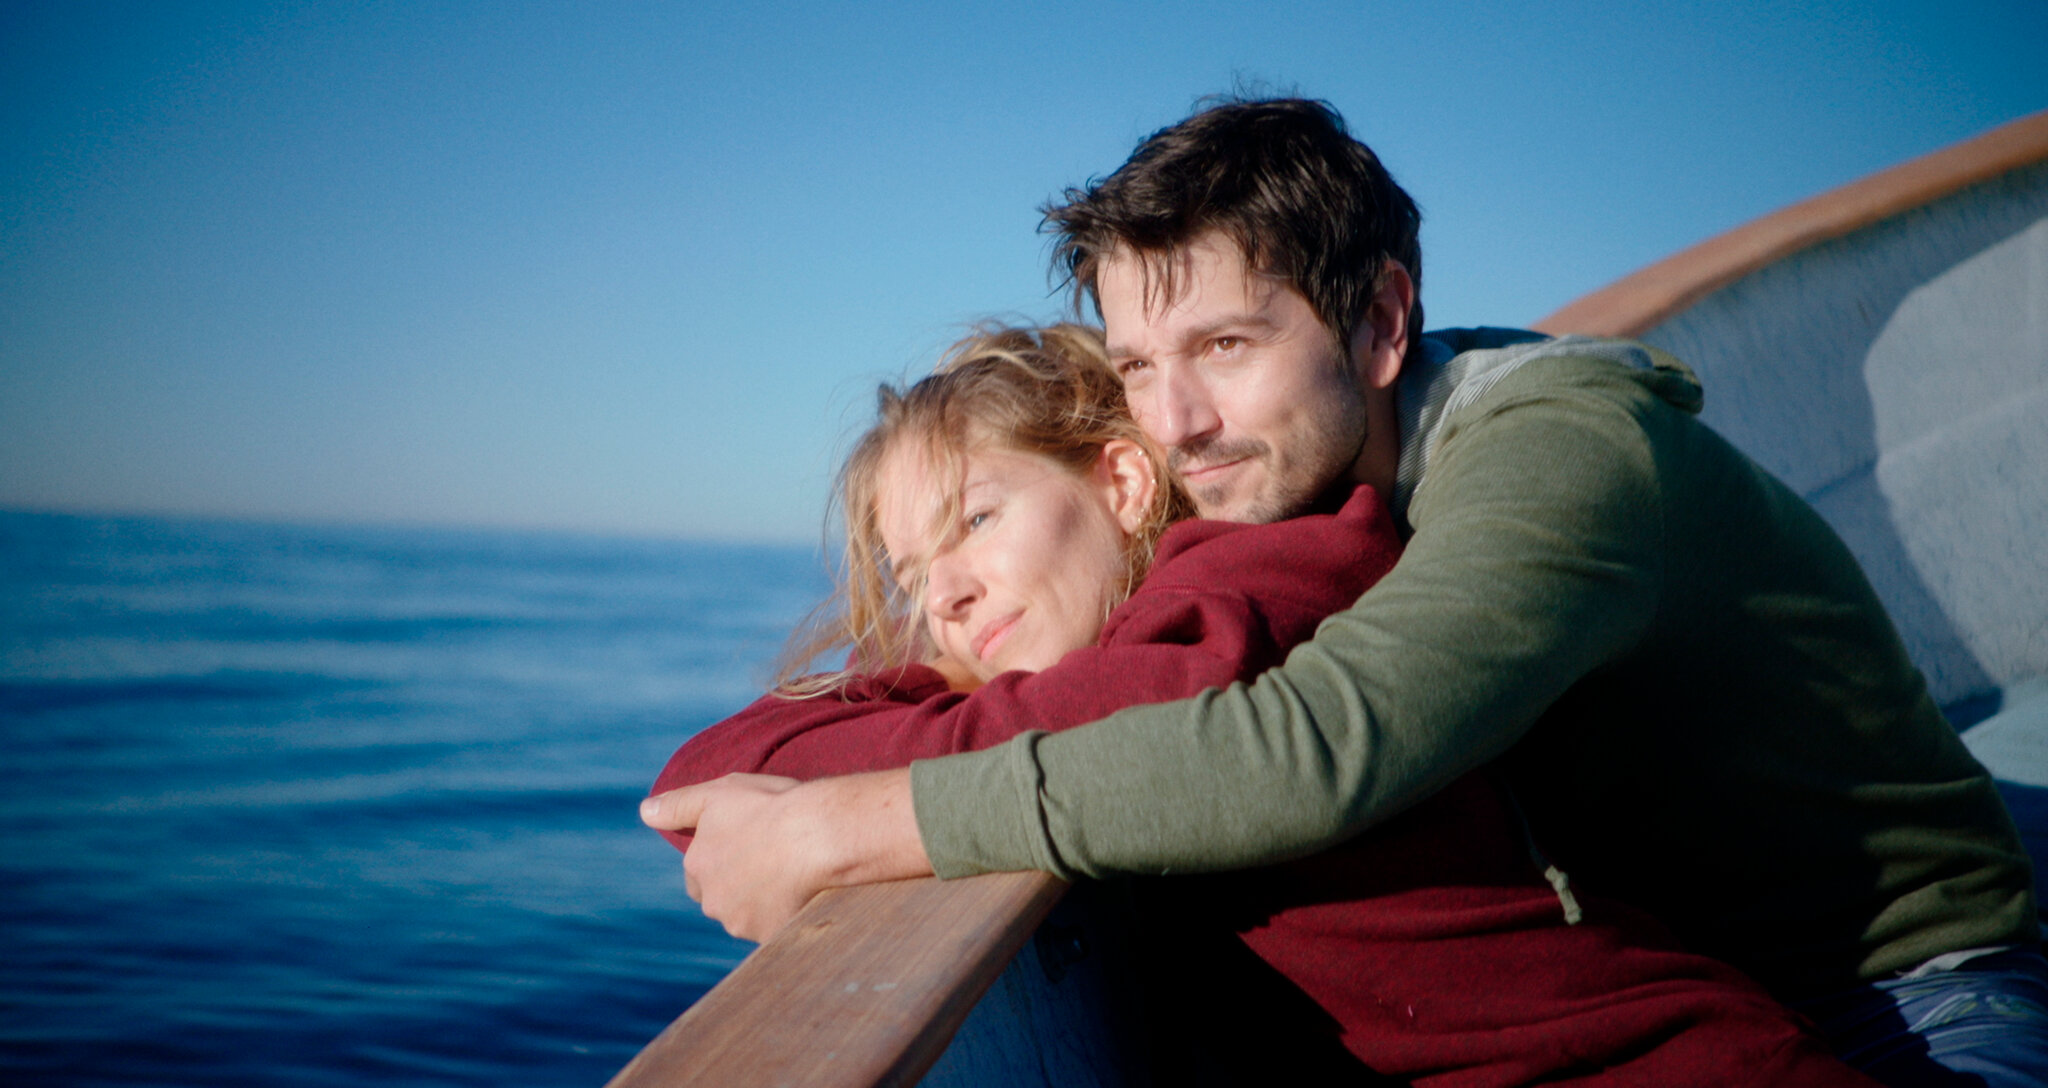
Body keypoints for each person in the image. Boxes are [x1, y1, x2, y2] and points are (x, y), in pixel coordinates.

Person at [646, 100, 2048, 1085]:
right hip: (1683, 968)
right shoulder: (1287, 482)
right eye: (1138, 369)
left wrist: (849, 828)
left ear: (1381, 323)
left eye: (1229, 346)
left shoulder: (1566, 457)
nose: (1176, 424)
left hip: (1902, 994)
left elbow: (1314, 753)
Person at [647, 323, 1876, 1085]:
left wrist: (838, 811)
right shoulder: (1120, 647)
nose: (949, 592)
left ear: (1125, 480)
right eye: (914, 577)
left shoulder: (1255, 592)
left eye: (975, 520)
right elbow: (719, 756)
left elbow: (1033, 731)